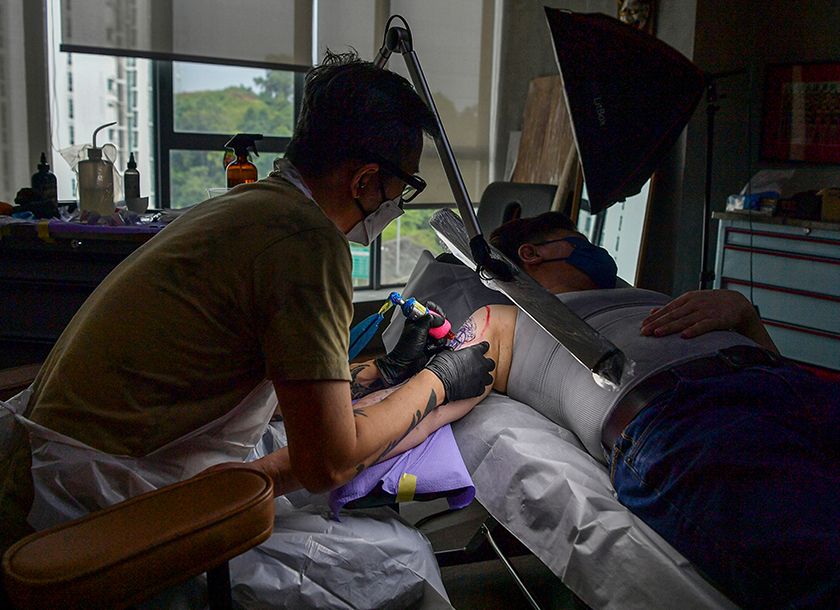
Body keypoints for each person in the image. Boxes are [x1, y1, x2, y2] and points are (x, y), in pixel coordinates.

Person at [0, 50, 496, 561]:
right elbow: (326, 463)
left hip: (58, 462)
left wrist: (377, 374)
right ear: (365, 181)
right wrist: (437, 384)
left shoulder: (251, 206)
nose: (400, 202)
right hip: (97, 501)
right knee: (404, 559)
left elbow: (255, 376)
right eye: (405, 186)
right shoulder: (307, 242)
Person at [404, 211, 838, 610]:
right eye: (577, 241)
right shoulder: (502, 318)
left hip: (789, 385)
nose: (598, 254)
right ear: (531, 254)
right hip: (689, 419)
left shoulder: (645, 295)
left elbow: (773, 360)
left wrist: (745, 317)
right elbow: (431, 391)